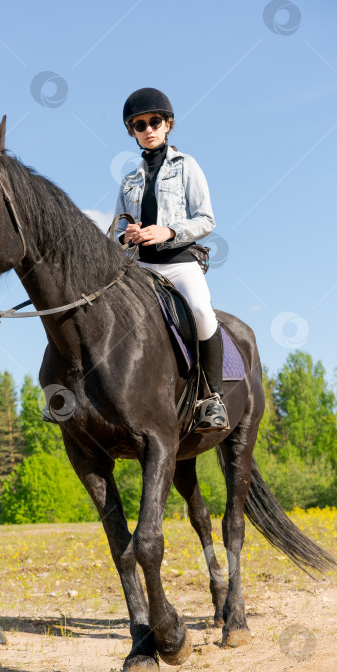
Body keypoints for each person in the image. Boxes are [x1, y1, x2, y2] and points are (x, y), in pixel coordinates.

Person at [113, 87, 229, 432]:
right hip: (139, 266)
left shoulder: (187, 165)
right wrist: (126, 237)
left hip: (179, 262)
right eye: (139, 125)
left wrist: (167, 232)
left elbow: (207, 219)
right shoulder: (129, 178)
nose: (148, 129)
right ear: (132, 132)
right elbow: (118, 227)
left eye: (155, 122)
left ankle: (213, 399)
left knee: (201, 313)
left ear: (168, 125)